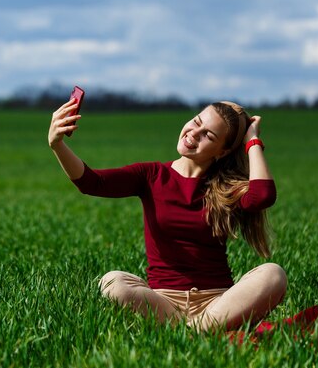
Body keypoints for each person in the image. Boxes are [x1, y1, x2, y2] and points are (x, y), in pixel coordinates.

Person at [48, 99, 287, 333]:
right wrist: (57, 144)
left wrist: (252, 140)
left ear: (222, 151)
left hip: (218, 302)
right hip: (163, 303)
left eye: (208, 135)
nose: (194, 133)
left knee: (273, 274)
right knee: (111, 282)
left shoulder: (225, 188)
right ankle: (201, 331)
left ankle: (187, 331)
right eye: (196, 121)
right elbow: (92, 183)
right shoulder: (152, 175)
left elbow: (262, 196)